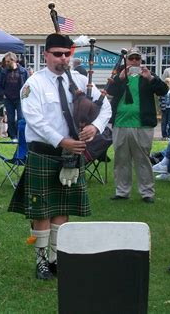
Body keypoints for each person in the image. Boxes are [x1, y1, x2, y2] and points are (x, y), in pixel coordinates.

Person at [8, 33, 111, 280]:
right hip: (44, 153)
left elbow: (105, 106)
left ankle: (56, 258)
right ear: (46, 55)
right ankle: (41, 260)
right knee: (42, 211)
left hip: (71, 154)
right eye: (57, 54)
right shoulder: (33, 84)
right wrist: (61, 140)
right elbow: (35, 119)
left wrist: (95, 127)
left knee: (62, 209)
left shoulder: (79, 80)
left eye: (67, 54)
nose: (63, 58)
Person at [107, 47, 168, 203]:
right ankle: (122, 191)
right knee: (121, 160)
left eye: (137, 59)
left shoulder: (148, 75)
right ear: (126, 60)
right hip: (120, 123)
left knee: (142, 160)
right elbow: (109, 91)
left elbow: (163, 91)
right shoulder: (119, 74)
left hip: (142, 125)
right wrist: (120, 78)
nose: (134, 61)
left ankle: (147, 193)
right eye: (131, 58)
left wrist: (151, 78)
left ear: (141, 61)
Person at [0, 52, 29, 141]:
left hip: (20, 98)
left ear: (13, 60)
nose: (6, 63)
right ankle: (13, 137)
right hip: (8, 98)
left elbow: (28, 85)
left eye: (8, 62)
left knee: (20, 118)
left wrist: (25, 96)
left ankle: (20, 136)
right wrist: (2, 94)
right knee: (10, 119)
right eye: (6, 62)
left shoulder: (23, 71)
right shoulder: (3, 72)